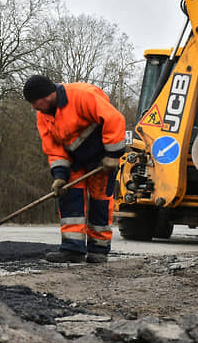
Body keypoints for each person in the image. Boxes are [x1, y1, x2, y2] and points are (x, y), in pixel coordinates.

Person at [23, 74, 126, 264]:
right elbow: (53, 148)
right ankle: (73, 249)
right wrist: (60, 175)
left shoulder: (82, 95)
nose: (33, 107)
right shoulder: (43, 116)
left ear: (46, 96)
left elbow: (114, 120)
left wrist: (113, 155)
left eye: (34, 102)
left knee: (100, 203)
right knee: (69, 198)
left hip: (102, 158)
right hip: (75, 161)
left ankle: (99, 250)